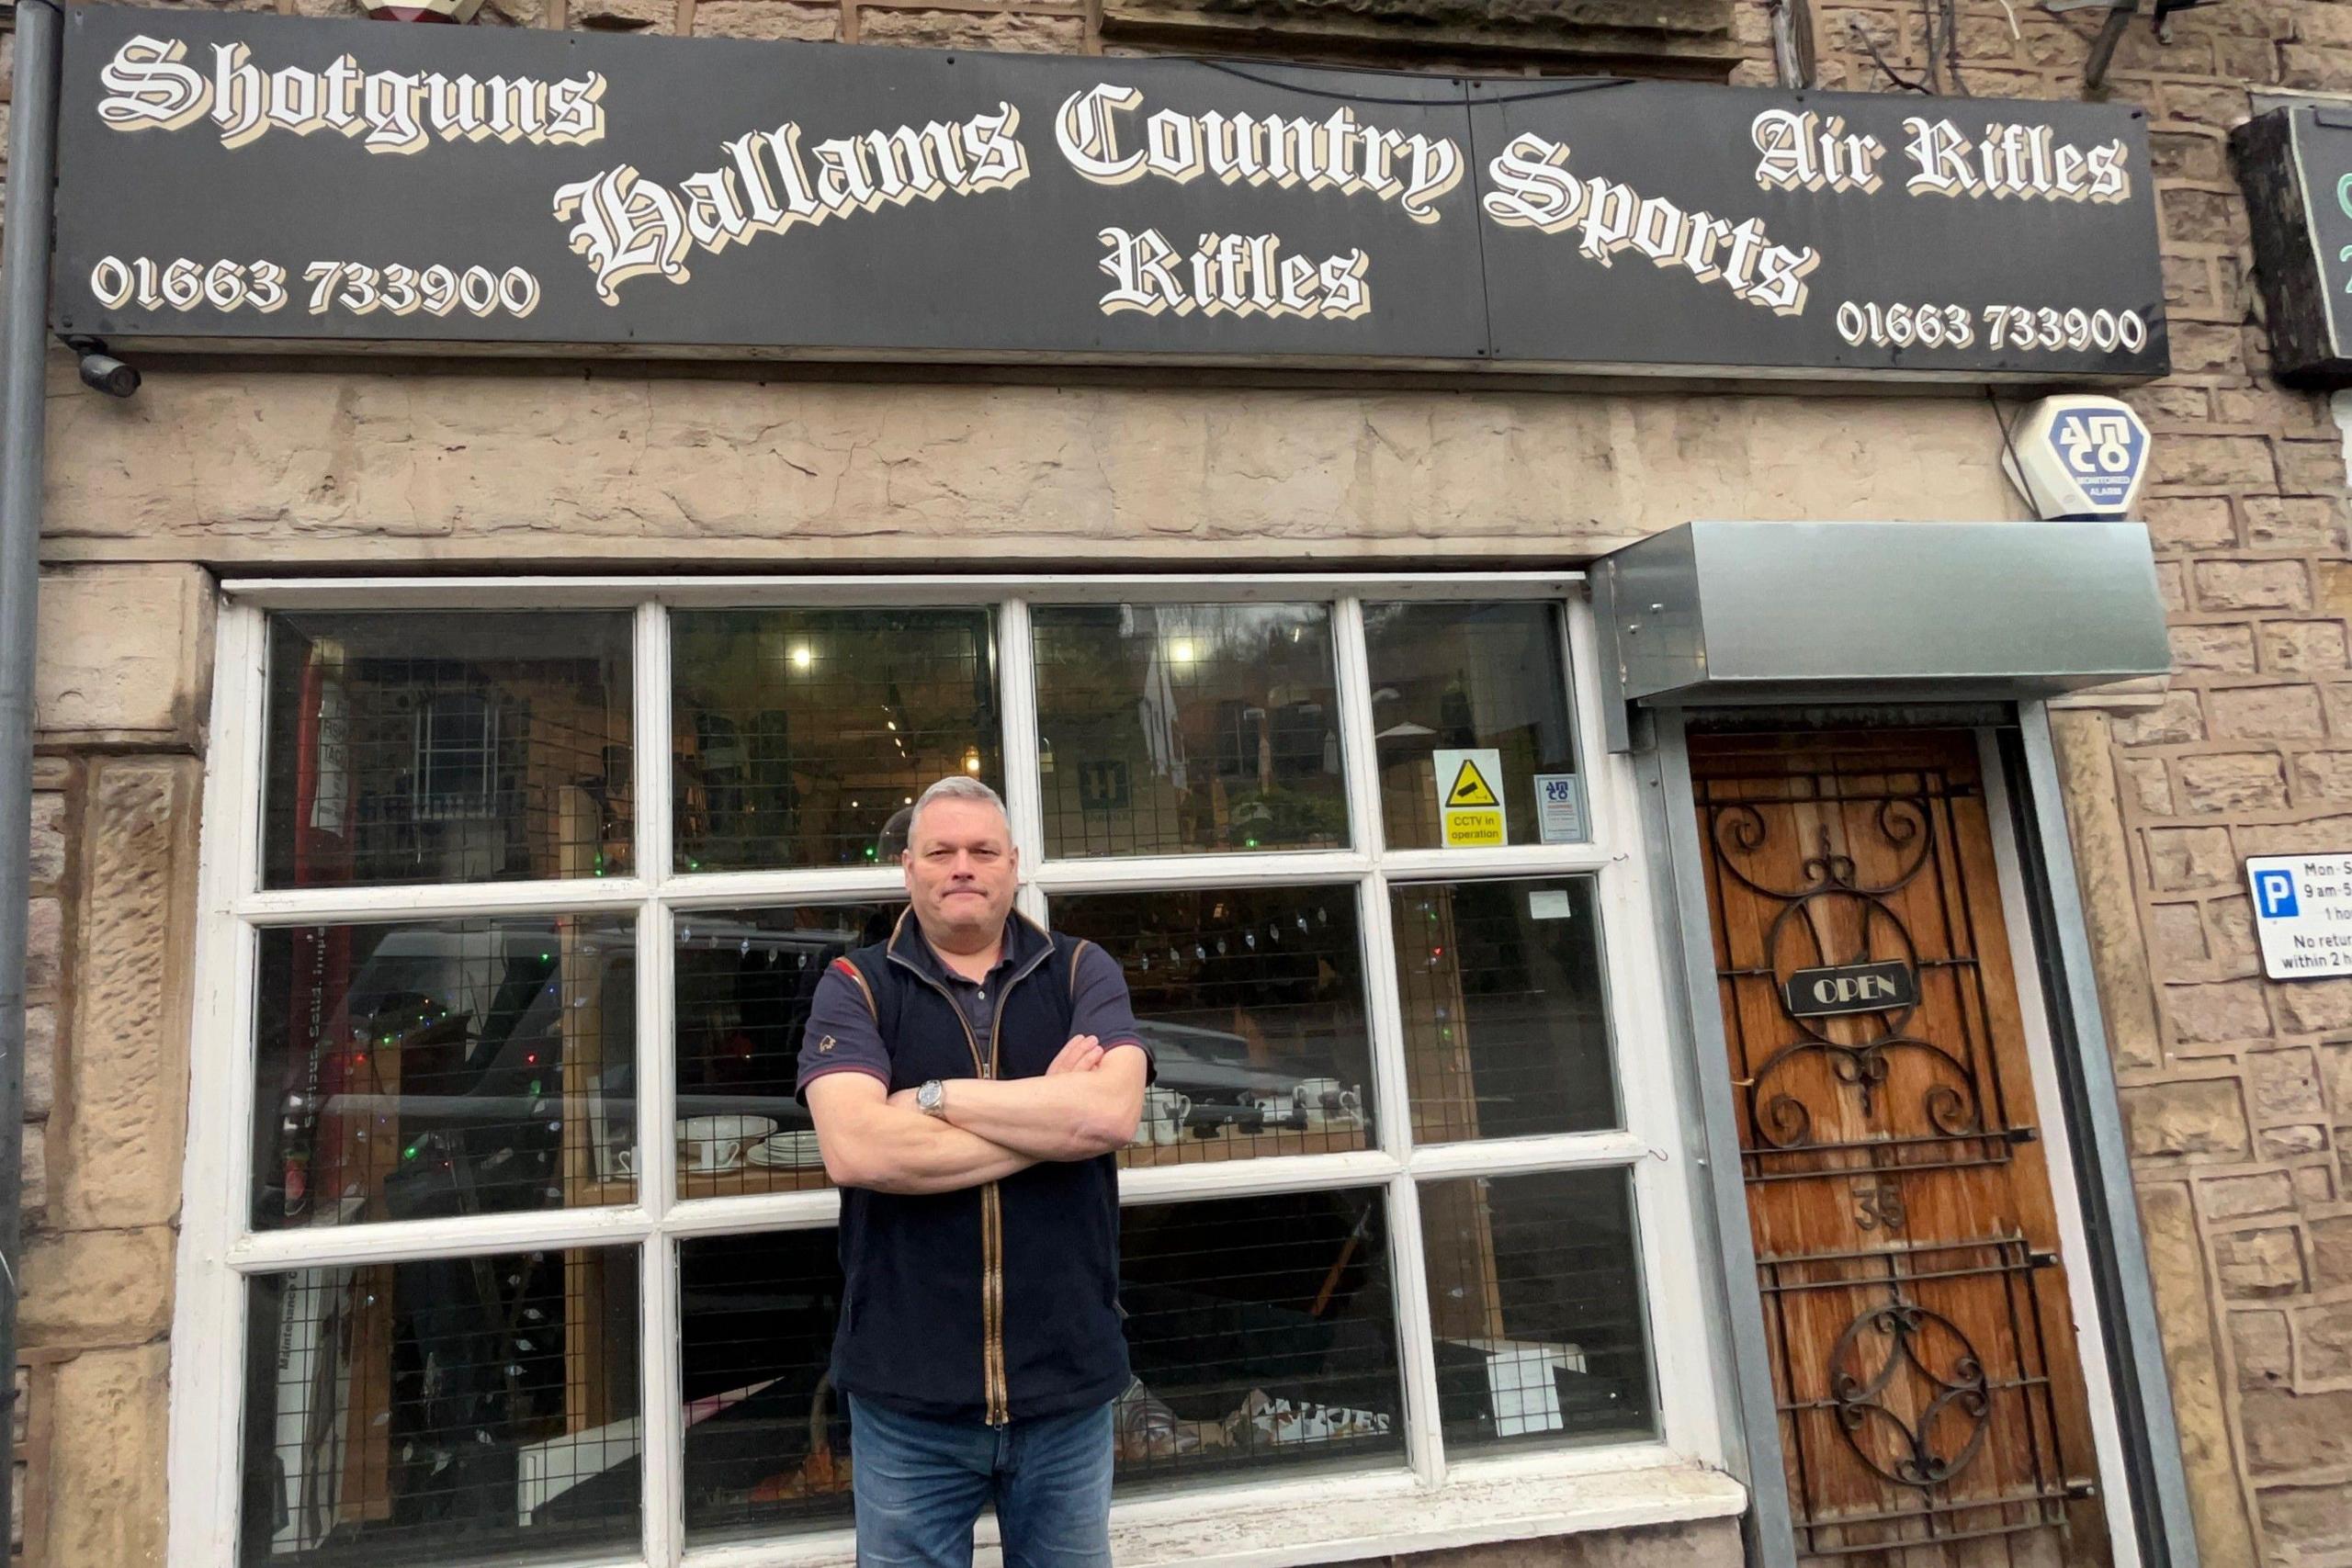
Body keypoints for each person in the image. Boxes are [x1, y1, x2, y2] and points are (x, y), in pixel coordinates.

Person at [797, 775, 1150, 1568]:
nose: (963, 865)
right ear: (908, 869)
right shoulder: (856, 986)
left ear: (1014, 865)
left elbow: (1110, 1116)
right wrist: (1051, 1116)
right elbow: (860, 1151)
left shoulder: (1082, 972)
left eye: (983, 850)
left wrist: (937, 1097)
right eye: (941, 850)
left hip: (1066, 1393)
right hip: (907, 1403)